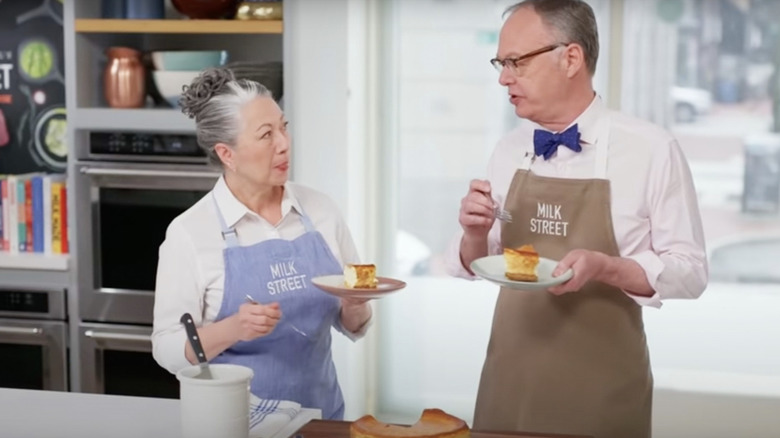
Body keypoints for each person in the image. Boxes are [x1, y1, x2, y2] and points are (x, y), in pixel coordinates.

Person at [445, 1, 707, 437]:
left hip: (603, 397)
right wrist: (474, 233)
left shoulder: (650, 150)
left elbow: (692, 272)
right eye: (500, 62)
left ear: (570, 58)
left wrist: (607, 267)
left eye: (516, 62)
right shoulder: (509, 149)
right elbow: (480, 262)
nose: (502, 77)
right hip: (509, 386)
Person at [151, 67, 372, 420]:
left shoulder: (321, 209)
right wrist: (233, 329)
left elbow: (354, 323)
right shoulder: (190, 233)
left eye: (283, 127)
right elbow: (165, 347)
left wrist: (356, 305)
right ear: (227, 154)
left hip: (323, 419)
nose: (284, 143)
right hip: (235, 423)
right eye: (266, 135)